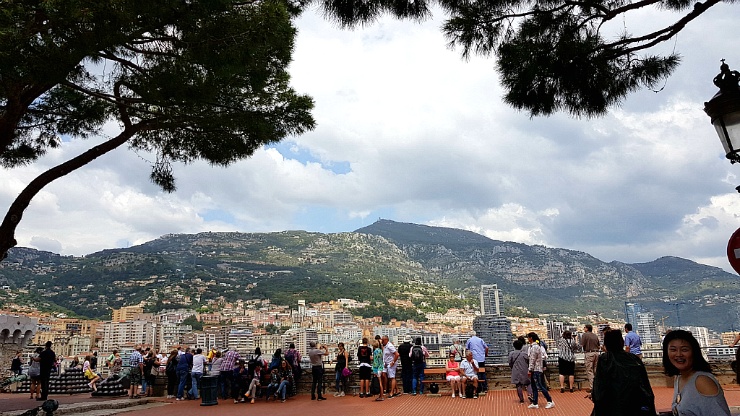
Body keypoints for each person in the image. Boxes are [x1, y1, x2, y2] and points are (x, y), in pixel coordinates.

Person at [664, 329, 731, 416]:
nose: (678, 354)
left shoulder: (702, 381)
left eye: (684, 350)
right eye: (673, 350)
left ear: (694, 352)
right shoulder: (679, 378)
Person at [591, 329, 655, 415]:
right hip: (634, 406)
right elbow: (645, 385)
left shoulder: (605, 359)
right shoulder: (634, 359)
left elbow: (600, 385)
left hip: (613, 407)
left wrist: (596, 398)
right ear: (622, 342)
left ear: (606, 344)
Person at [527, 332, 554, 409]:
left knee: (540, 386)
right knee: (534, 386)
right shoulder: (536, 346)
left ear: (531, 338)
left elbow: (532, 359)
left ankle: (550, 401)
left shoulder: (534, 347)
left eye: (528, 337)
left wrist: (530, 369)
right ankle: (535, 402)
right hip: (537, 369)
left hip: (536, 369)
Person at [508, 338, 529, 404]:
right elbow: (528, 361)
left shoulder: (511, 354)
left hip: (515, 370)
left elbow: (510, 362)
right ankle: (530, 394)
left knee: (518, 385)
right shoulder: (524, 354)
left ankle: (521, 399)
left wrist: (512, 367)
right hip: (524, 370)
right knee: (528, 383)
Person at [581, 324, 600, 391]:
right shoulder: (595, 335)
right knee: (595, 370)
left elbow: (582, 344)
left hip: (589, 353)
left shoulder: (585, 335)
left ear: (587, 328)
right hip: (596, 353)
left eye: (584, 327)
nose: (584, 329)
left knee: (589, 370)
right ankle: (597, 386)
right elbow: (598, 345)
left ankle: (592, 387)